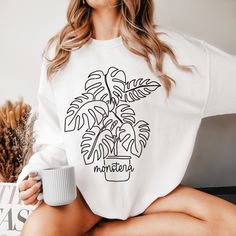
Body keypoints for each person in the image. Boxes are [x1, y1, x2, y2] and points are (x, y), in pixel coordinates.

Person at [16, 0, 236, 235]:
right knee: (38, 231)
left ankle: (105, 231)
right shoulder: (60, 53)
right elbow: (55, 140)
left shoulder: (170, 51)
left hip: (154, 196)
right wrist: (33, 176)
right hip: (85, 197)